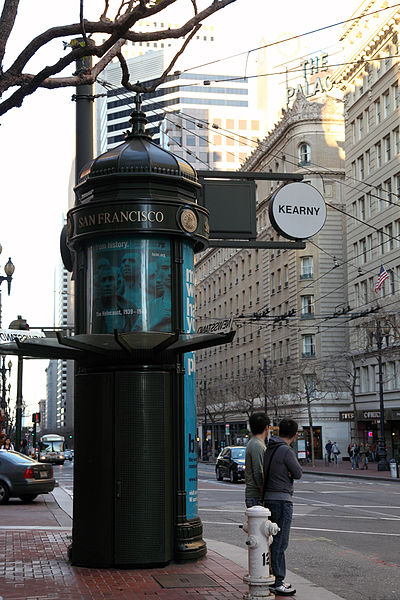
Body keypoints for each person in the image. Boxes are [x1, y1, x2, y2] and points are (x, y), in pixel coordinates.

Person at [262, 418, 302, 596]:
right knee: (280, 541)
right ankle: (278, 581)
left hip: (268, 498)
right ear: (294, 435)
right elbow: (298, 473)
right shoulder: (286, 450)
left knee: (272, 540)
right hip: (282, 499)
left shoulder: (269, 448)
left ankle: (272, 576)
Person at [244, 412, 270, 508]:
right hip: (256, 495)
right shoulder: (257, 445)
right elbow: (258, 471)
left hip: (254, 495)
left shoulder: (254, 443)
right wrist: (263, 490)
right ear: (267, 428)